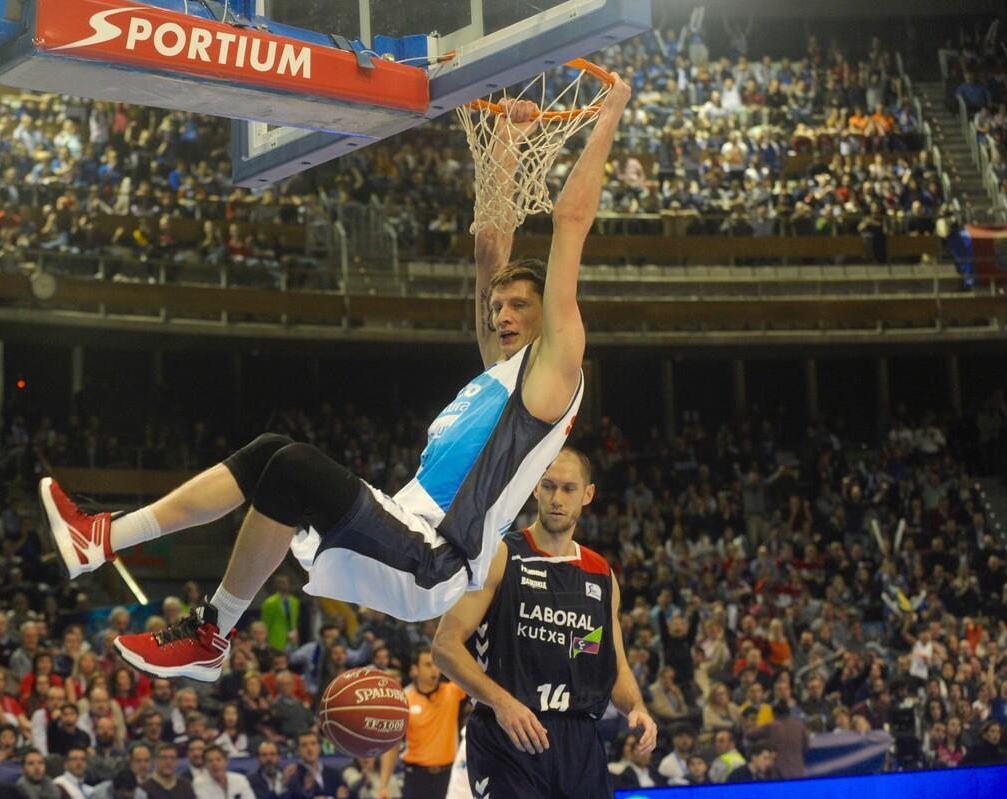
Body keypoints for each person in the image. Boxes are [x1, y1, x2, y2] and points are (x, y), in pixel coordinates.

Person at [38, 74, 631, 684]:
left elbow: (571, 218)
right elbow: (489, 246)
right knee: (271, 453)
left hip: (437, 558)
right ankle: (102, 537)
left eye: (518, 306)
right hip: (402, 529)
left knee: (294, 466)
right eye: (497, 305)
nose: (501, 314)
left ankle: (212, 635)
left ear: (549, 318)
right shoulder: (498, 372)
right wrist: (505, 141)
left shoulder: (553, 374)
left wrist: (610, 112)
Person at [432, 448, 656, 799]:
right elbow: (445, 647)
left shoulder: (600, 574)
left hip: (580, 741)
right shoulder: (500, 556)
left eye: (569, 489)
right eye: (548, 486)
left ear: (588, 494)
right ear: (535, 487)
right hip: (510, 734)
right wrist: (502, 703)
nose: (556, 498)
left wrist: (636, 707)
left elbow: (613, 662)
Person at [377, 650, 464, 799]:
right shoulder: (403, 700)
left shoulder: (453, 692)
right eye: (428, 664)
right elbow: (392, 746)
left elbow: (469, 672)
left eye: (436, 664)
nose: (434, 669)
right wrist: (383, 785)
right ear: (414, 670)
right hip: (416, 776)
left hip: (447, 775)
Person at [283, 733, 343, 799]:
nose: (309, 748)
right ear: (298, 750)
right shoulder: (293, 774)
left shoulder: (333, 773)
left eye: (313, 743)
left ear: (319, 748)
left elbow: (344, 795)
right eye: (304, 745)